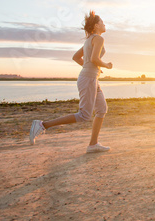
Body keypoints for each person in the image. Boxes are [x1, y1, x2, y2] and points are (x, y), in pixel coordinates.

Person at [29, 10, 113, 153]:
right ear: (96, 26)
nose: (104, 24)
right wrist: (106, 65)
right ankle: (43, 125)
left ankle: (93, 144)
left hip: (91, 77)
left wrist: (93, 68)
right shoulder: (98, 39)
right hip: (88, 79)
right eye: (102, 22)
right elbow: (94, 59)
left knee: (102, 109)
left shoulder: (89, 40)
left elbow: (76, 57)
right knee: (84, 115)